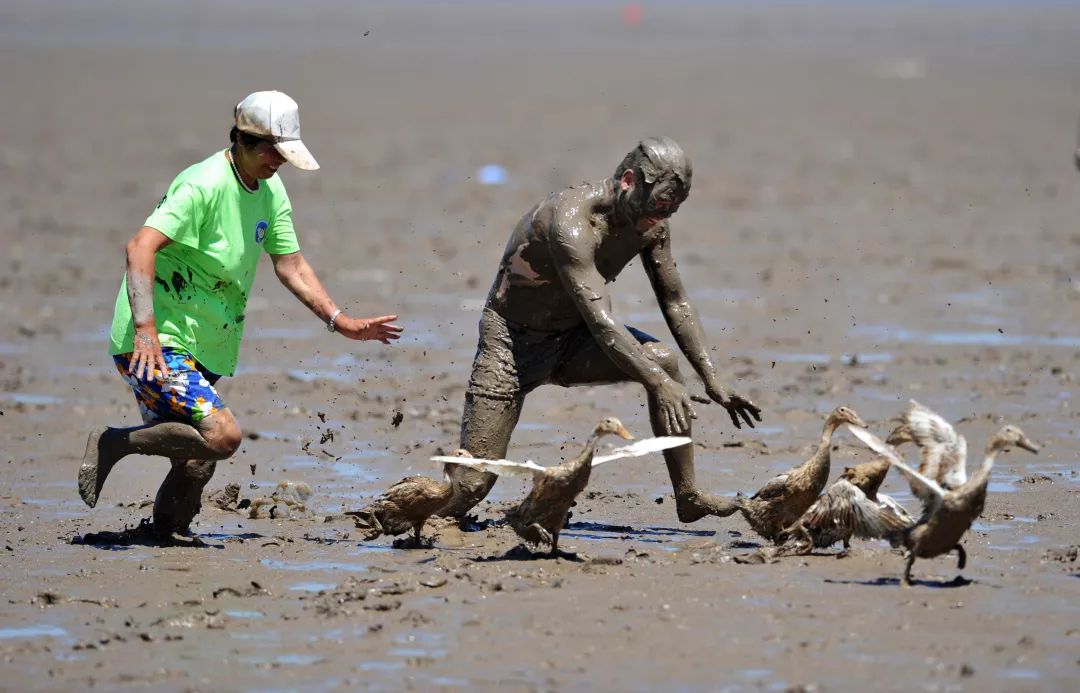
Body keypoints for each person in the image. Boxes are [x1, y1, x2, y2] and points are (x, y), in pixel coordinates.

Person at [78, 90, 402, 537]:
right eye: (274, 151)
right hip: (157, 341)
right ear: (244, 141)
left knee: (195, 460)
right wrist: (146, 330)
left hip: (207, 342)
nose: (281, 162)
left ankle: (165, 536)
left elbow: (290, 264)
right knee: (222, 437)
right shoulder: (204, 185)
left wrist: (340, 321)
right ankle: (115, 443)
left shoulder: (269, 190)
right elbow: (139, 248)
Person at [439, 136, 762, 522]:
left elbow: (674, 301)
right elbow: (601, 320)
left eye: (675, 208)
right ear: (628, 180)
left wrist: (711, 378)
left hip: (573, 340)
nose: (664, 217)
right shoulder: (572, 222)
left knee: (661, 359)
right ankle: (423, 519)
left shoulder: (652, 223)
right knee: (473, 485)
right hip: (511, 343)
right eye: (660, 204)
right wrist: (659, 384)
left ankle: (687, 495)